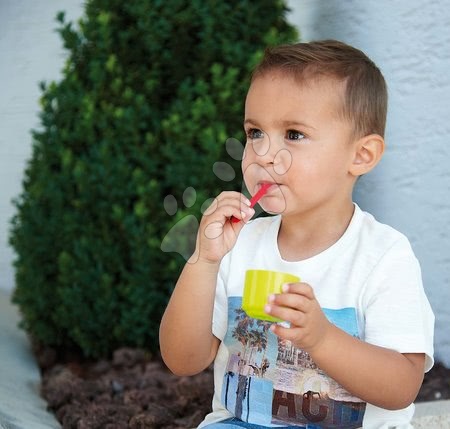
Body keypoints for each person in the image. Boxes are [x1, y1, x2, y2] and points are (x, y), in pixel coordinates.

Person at [159, 40, 434, 428]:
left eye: (293, 134)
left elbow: (402, 387)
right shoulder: (241, 245)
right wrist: (203, 260)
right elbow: (181, 360)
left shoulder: (383, 256)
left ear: (361, 156)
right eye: (255, 133)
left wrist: (323, 340)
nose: (265, 154)